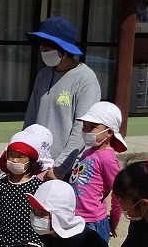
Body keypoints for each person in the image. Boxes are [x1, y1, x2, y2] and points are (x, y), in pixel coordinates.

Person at [23, 16, 101, 174]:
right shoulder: (43, 75)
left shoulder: (86, 80)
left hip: (66, 168)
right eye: (41, 47)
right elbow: (30, 119)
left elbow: (81, 129)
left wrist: (60, 167)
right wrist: (23, 149)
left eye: (47, 48)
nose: (42, 51)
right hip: (37, 163)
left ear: (63, 51)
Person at [70, 100, 125, 240]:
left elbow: (118, 192)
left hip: (92, 222)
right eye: (84, 126)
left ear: (109, 132)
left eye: (92, 127)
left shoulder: (108, 159)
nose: (86, 131)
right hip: (75, 217)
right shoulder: (88, 152)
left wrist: (114, 218)